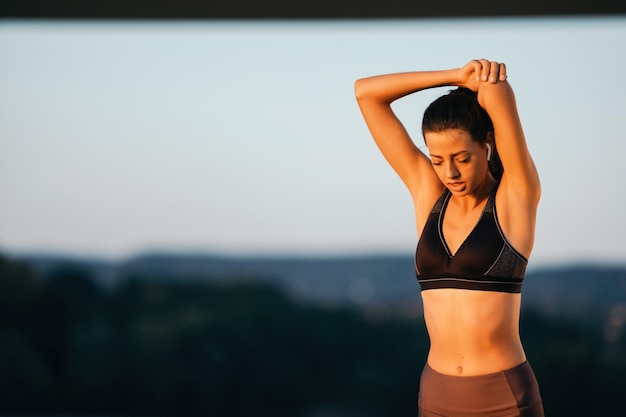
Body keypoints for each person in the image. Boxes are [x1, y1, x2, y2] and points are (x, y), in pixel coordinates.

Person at [354, 59, 544, 416]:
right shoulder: (430, 196)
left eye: (461, 158)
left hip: (504, 397)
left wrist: (481, 80)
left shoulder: (514, 197)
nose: (450, 172)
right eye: (437, 159)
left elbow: (498, 94)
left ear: (487, 145)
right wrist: (452, 76)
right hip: (437, 394)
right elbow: (366, 93)